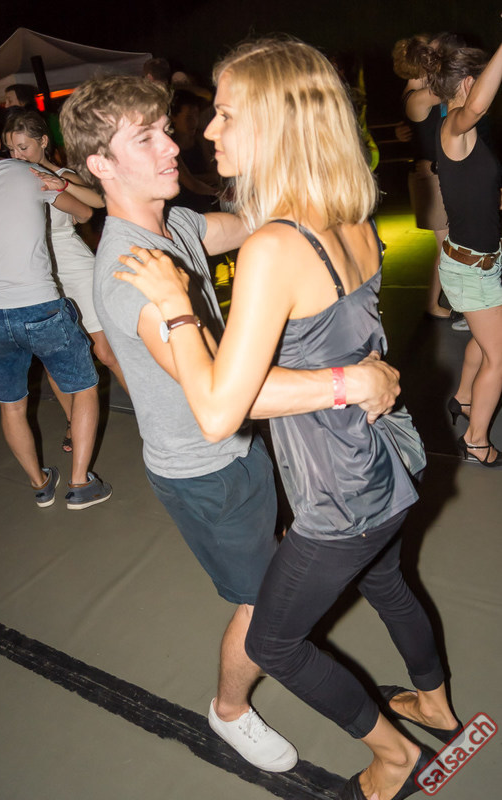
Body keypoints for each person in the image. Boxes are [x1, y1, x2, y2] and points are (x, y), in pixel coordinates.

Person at [114, 40, 461, 800]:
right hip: (387, 458)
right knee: (387, 581)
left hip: (340, 490)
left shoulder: (274, 247)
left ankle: (394, 757)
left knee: (274, 641)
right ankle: (434, 700)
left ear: (274, 125)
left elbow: (217, 410)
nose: (208, 131)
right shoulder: (347, 214)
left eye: (226, 115)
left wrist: (176, 307)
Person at [59, 73, 402, 773]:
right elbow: (226, 396)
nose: (171, 146)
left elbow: (260, 222)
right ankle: (230, 709)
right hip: (204, 473)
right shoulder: (131, 274)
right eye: (146, 138)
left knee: (274, 577)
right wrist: (350, 381)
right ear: (101, 165)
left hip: (244, 455)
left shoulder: (177, 226)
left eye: (165, 130)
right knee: (262, 608)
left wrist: (295, 151)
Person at [0, 120, 112, 509]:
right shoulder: (24, 173)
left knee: (11, 405)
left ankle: (40, 483)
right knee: (83, 386)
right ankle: (80, 484)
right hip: (39, 302)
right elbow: (85, 212)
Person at [2, 110, 128, 452]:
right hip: (38, 271)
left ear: (43, 141)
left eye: (24, 147)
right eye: (11, 149)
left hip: (74, 265)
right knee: (54, 357)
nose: (18, 155)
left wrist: (63, 185)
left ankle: (149, 410)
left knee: (105, 351)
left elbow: (98, 202)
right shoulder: (12, 180)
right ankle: (74, 420)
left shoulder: (61, 174)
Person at [421, 38, 502, 467]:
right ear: (469, 83)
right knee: (499, 358)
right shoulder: (454, 124)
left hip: (478, 261)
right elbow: (477, 107)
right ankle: (476, 441)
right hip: (472, 268)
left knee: (484, 340)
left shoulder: (460, 132)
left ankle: (465, 398)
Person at [392, 35, 451, 320]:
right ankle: (432, 303)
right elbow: (455, 86)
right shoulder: (418, 97)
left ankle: (441, 300)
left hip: (432, 174)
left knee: (448, 245)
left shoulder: (417, 93)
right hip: (430, 177)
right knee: (445, 247)